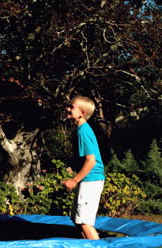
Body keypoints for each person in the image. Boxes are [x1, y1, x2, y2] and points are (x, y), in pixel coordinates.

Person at [63, 96, 105, 240]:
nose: (68, 109)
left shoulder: (83, 131)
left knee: (84, 222)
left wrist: (74, 180)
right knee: (78, 221)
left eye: (71, 107)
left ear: (82, 113)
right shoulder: (81, 129)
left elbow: (91, 161)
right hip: (88, 179)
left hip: (91, 180)